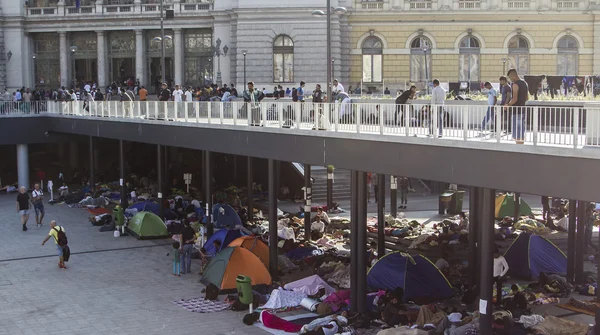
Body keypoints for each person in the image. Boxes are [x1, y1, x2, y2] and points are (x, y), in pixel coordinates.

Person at [504, 69, 529, 144]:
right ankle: (521, 145)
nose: (510, 79)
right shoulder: (525, 83)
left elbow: (514, 98)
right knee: (521, 129)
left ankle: (518, 147)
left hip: (516, 111)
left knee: (517, 130)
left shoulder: (515, 84)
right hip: (523, 110)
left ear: (513, 75)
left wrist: (508, 105)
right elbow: (527, 98)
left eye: (510, 77)